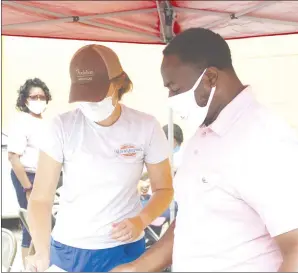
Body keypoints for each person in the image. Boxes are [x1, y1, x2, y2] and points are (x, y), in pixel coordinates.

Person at [111, 28, 298, 272]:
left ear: (210, 78)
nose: (170, 97)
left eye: (176, 89)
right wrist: (136, 268)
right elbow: (192, 221)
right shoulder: (203, 135)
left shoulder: (267, 141)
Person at [26, 44, 174, 272]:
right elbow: (40, 199)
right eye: (83, 95)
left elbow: (164, 189)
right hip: (69, 249)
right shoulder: (61, 126)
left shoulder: (145, 127)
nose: (90, 102)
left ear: (118, 83)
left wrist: (141, 220)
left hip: (123, 249)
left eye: (96, 93)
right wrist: (42, 249)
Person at [7, 78, 52, 268]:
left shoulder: (46, 123)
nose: (39, 100)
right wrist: (27, 186)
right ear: (25, 100)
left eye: (42, 97)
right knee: (30, 224)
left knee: (42, 224)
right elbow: (13, 157)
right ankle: (26, 267)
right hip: (28, 177)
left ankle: (39, 263)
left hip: (44, 177)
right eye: (34, 97)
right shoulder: (22, 122)